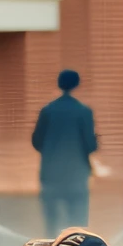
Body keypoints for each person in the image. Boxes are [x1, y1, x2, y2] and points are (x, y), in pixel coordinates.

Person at [32, 70, 99, 236]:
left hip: (51, 175)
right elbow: (90, 145)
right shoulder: (84, 111)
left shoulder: (47, 111)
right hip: (76, 175)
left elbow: (36, 141)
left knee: (51, 226)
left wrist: (51, 153)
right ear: (77, 84)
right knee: (77, 227)